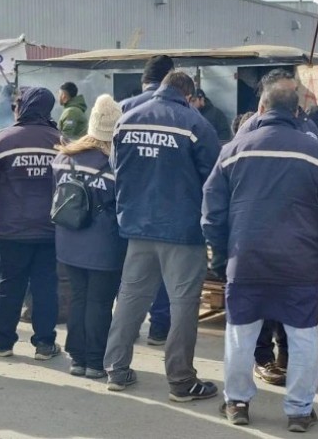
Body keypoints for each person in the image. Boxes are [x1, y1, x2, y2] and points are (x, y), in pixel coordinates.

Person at [203, 75, 318, 432]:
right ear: (300, 111)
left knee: (241, 335)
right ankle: (299, 411)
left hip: (246, 259)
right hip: (299, 264)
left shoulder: (233, 150)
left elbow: (212, 212)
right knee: (302, 337)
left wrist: (221, 258)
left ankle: (237, 402)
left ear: (261, 108)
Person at [103, 71, 220, 401]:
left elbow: (116, 169)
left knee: (130, 298)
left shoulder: (126, 121)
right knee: (183, 305)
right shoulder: (195, 125)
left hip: (137, 227)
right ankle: (181, 381)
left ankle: (116, 368)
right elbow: (213, 180)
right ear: (188, 94)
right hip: (182, 232)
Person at [0, 87, 61, 360]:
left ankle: (1, 342)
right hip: (50, 231)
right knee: (46, 288)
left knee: (9, 287)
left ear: (22, 107)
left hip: (10, 231)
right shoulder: (62, 142)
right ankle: (45, 344)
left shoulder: (2, 140)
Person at [53, 94, 127, 379]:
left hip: (69, 240)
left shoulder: (63, 157)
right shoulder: (116, 164)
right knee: (100, 302)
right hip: (104, 244)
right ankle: (96, 361)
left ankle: (77, 358)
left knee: (78, 298)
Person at [116, 55, 176, 346]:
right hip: (168, 206)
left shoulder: (125, 109)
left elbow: (112, 161)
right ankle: (159, 328)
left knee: (131, 273)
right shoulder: (181, 110)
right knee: (164, 272)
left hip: (130, 205)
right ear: (170, 77)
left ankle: (126, 329)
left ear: (144, 80)